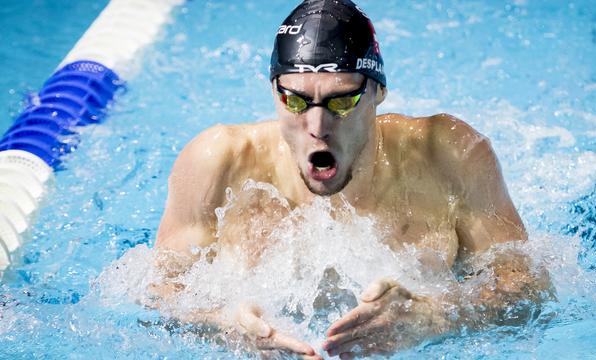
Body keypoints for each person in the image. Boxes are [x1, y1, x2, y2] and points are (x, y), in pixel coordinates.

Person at [153, 0, 553, 358]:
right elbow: (154, 291)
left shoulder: (447, 155)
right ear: (273, 90)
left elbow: (531, 286)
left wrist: (438, 318)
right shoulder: (217, 162)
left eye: (341, 100)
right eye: (294, 100)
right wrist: (223, 324)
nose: (317, 127)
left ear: (378, 91)